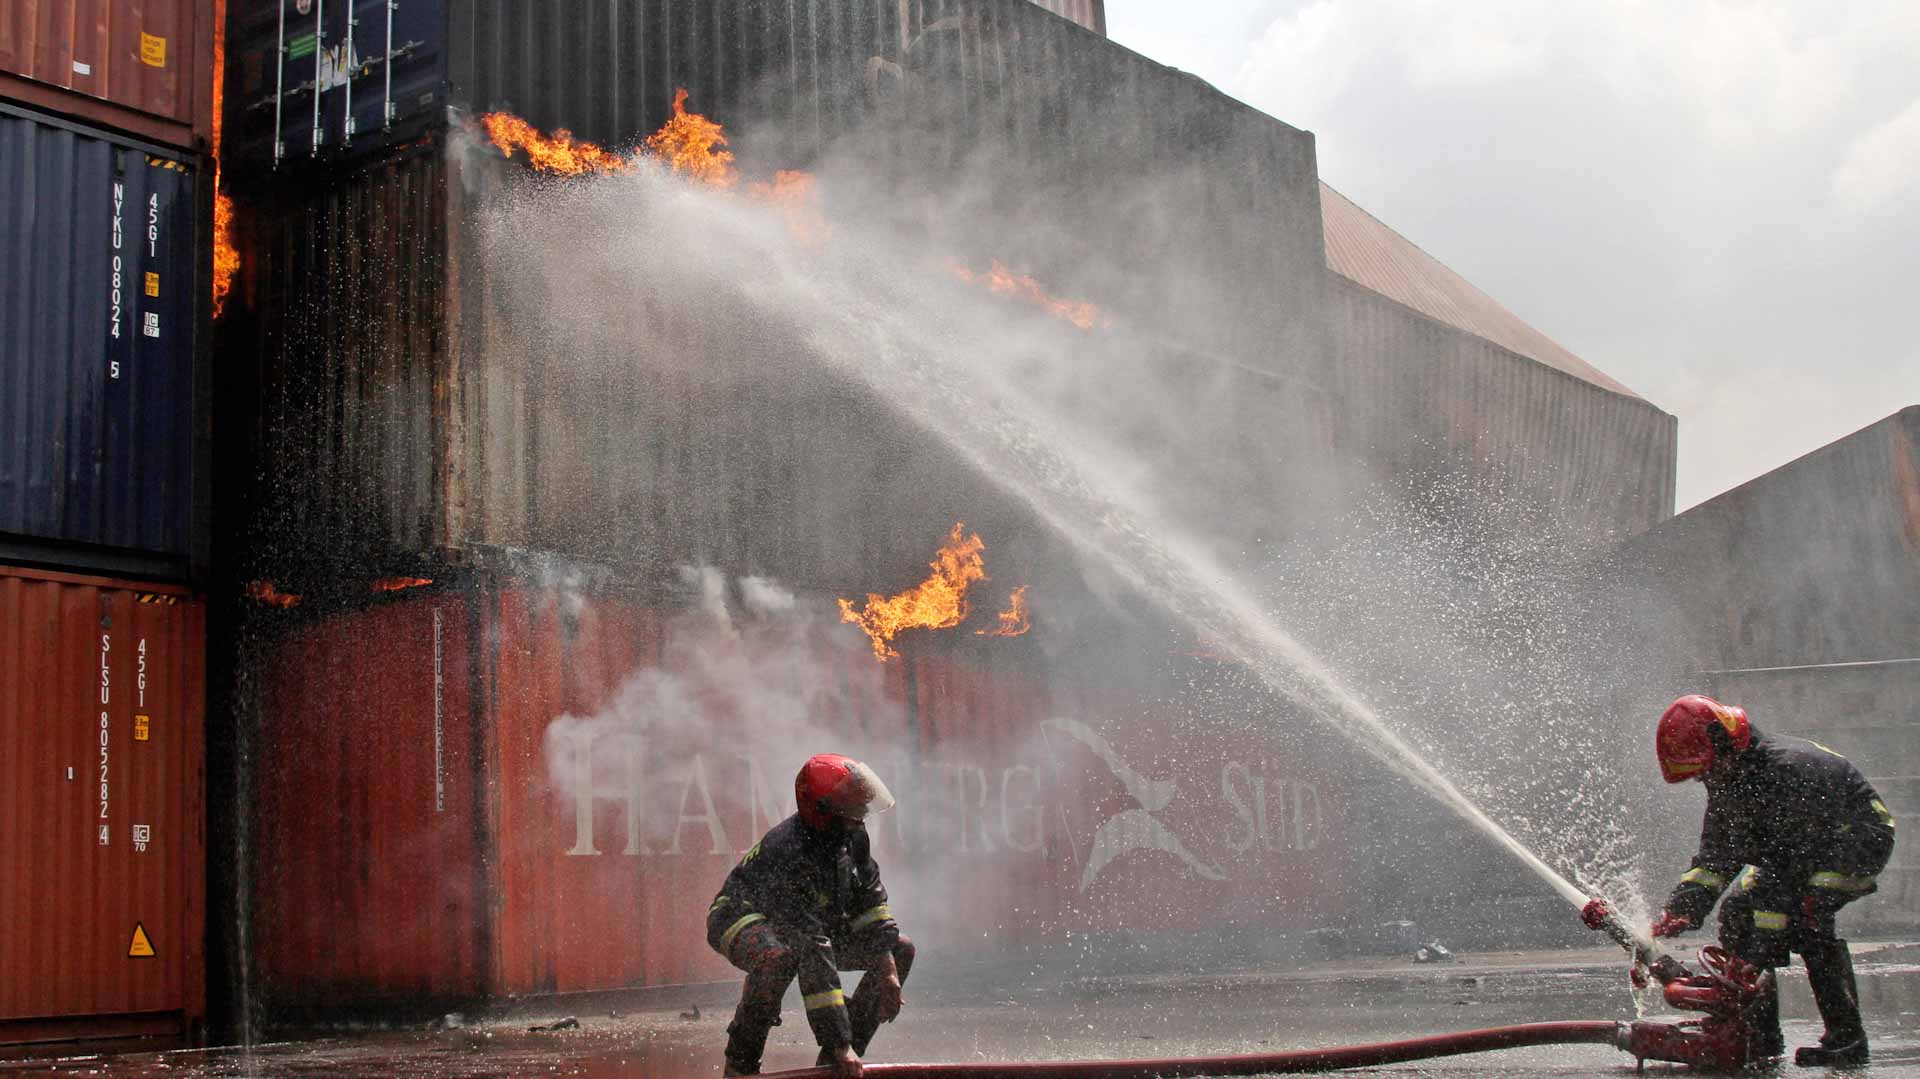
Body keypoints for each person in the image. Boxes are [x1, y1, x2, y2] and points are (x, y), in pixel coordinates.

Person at [1649, 694, 1895, 1066]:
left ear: (1725, 745)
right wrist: (1682, 907)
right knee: (1737, 910)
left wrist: (1758, 952)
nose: (1704, 779)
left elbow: (1785, 878)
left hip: (1857, 841)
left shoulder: (1784, 773)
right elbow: (1716, 856)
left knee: (1808, 917)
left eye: (1706, 770)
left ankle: (1847, 1040)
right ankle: (1761, 1037)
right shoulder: (1729, 778)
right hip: (1798, 855)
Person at [707, 753, 913, 1077]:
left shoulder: (851, 835)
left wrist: (887, 971)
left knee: (899, 949)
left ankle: (839, 1065)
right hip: (738, 915)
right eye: (851, 811)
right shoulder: (789, 851)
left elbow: (869, 904)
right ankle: (740, 1064)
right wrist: (837, 1041)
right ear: (822, 813)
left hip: (806, 925)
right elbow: (813, 949)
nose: (860, 819)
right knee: (778, 959)